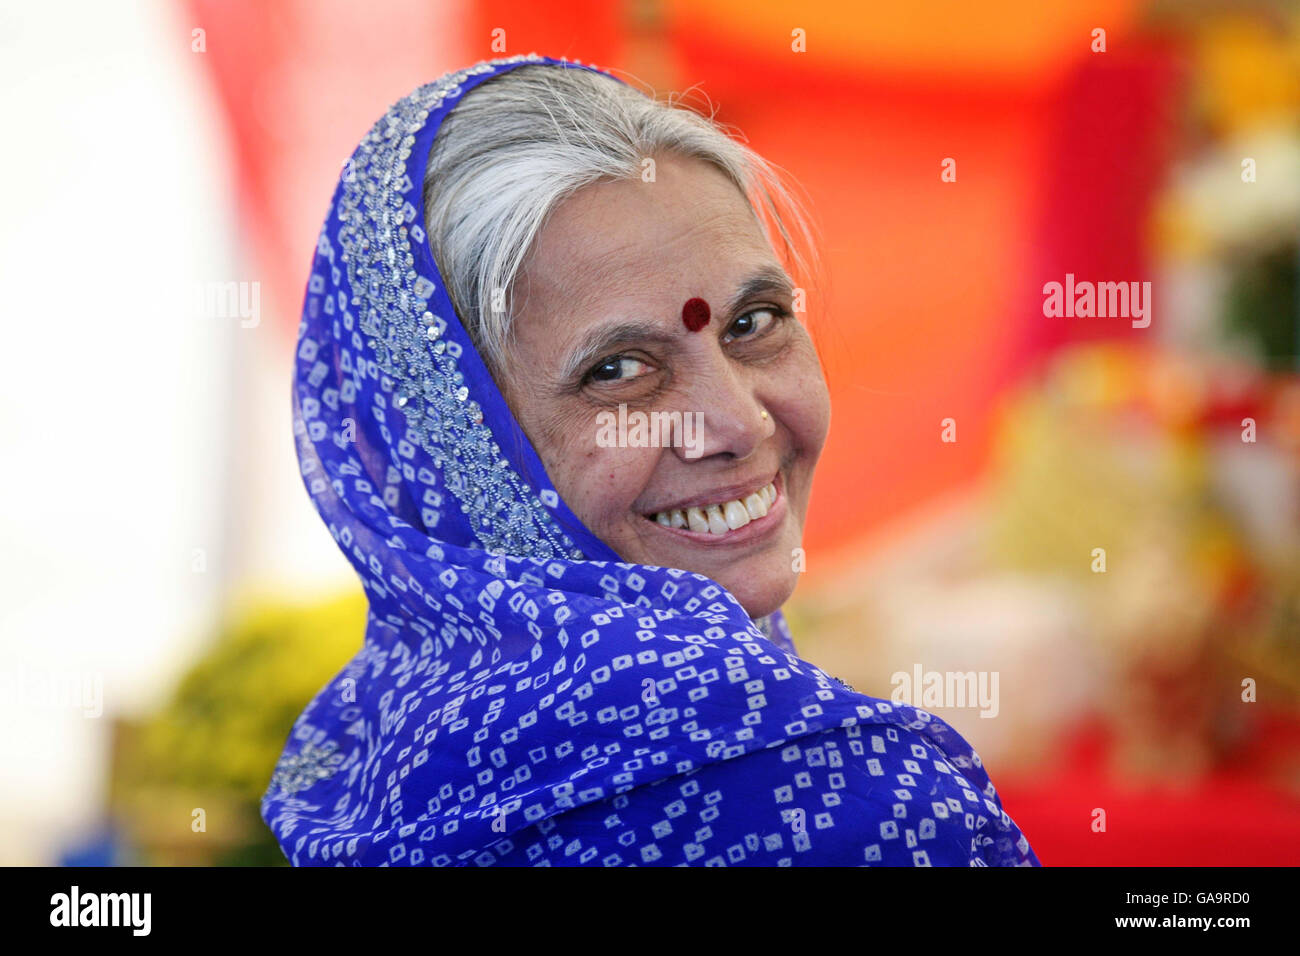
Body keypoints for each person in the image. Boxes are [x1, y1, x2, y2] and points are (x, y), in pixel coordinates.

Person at [261, 53, 1040, 867]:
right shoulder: (855, 809)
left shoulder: (363, 759)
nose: (738, 423)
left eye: (754, 322)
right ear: (464, 451)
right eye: (621, 370)